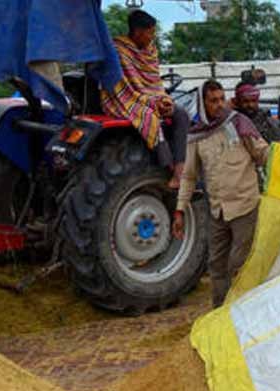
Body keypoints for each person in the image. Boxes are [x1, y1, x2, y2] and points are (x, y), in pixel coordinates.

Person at [173, 80, 271, 308]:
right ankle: (221, 314)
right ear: (202, 103)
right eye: (213, 101)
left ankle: (247, 312)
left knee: (240, 264)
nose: (219, 105)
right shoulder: (196, 136)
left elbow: (263, 154)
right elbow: (188, 176)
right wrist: (179, 210)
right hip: (217, 211)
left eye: (221, 98)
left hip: (245, 207)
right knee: (216, 266)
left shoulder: (238, 123)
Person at [101, 10, 190, 188]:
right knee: (150, 118)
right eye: (150, 32)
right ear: (138, 32)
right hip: (125, 99)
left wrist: (161, 99)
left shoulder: (151, 50)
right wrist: (149, 101)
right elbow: (124, 87)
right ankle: (167, 170)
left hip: (151, 96)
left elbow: (154, 81)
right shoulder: (118, 51)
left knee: (181, 114)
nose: (153, 36)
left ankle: (181, 171)